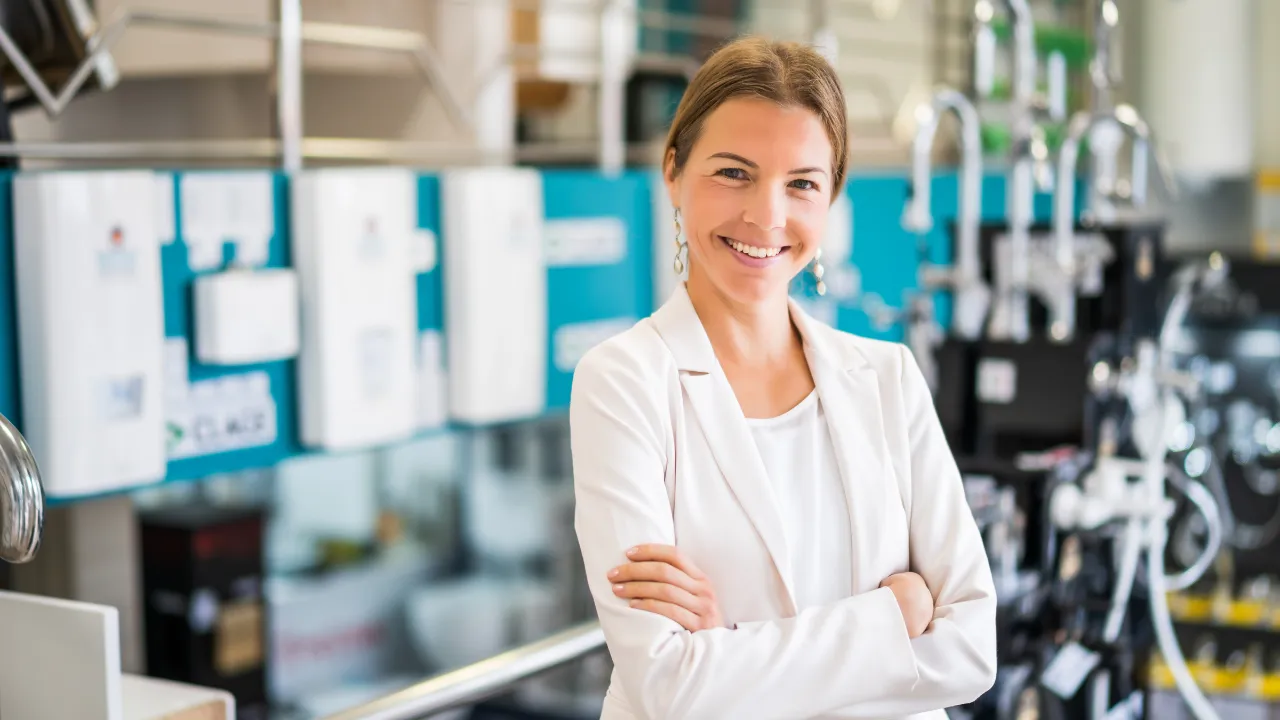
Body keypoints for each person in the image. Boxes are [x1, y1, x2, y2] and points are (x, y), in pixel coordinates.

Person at [569, 36, 997, 720]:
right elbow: (671, 685)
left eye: (801, 183)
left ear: (830, 199)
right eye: (734, 172)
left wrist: (730, 647)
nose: (767, 216)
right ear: (673, 171)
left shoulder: (886, 377)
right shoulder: (623, 381)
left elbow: (972, 651)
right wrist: (893, 617)